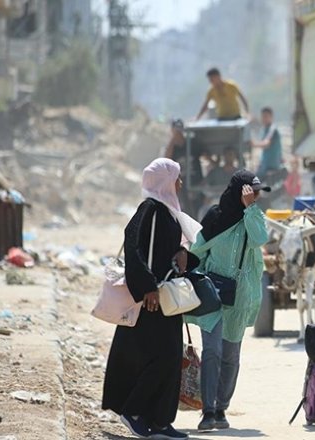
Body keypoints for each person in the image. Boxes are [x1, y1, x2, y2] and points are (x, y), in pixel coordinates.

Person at [102, 158, 202, 440]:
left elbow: (167, 251)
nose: (180, 183)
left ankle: (159, 420)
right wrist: (147, 287)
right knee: (158, 358)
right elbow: (134, 247)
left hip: (166, 298)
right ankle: (133, 412)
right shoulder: (150, 210)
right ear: (165, 182)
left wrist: (185, 256)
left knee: (170, 358)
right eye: (177, 178)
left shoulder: (168, 212)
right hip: (151, 300)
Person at [186, 170, 269, 432]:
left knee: (230, 355)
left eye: (257, 193)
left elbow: (260, 240)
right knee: (212, 351)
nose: (255, 196)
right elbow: (197, 251)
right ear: (238, 190)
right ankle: (207, 410)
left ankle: (221, 407)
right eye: (251, 192)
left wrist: (250, 209)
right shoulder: (215, 216)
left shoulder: (253, 217)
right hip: (213, 294)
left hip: (240, 296)